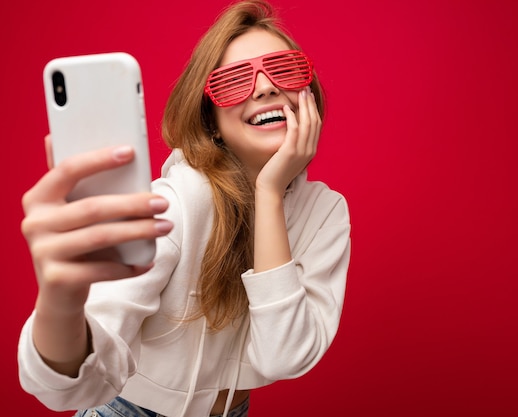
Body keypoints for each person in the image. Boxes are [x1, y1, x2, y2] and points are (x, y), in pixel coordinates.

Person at [17, 0, 351, 416]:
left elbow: (283, 356)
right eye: (234, 81)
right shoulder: (175, 203)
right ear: (210, 119)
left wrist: (268, 191)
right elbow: (73, 385)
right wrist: (60, 300)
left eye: (284, 69)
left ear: (308, 92)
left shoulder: (325, 213)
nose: (265, 88)